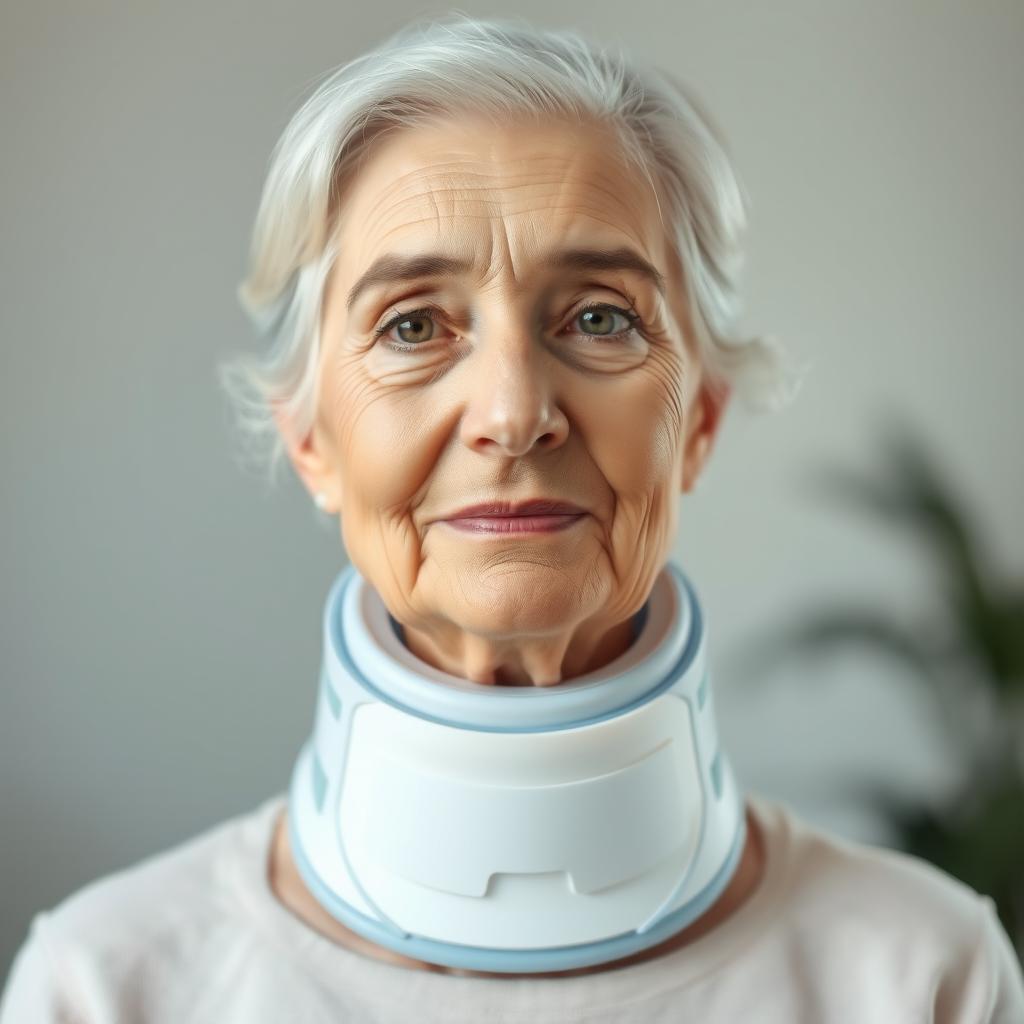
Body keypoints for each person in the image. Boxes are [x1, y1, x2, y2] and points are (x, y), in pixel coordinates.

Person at [3, 12, 1022, 1022]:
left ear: (700, 419)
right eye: (412, 325)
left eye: (598, 317)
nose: (512, 413)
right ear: (310, 438)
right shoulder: (106, 987)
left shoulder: (924, 978)